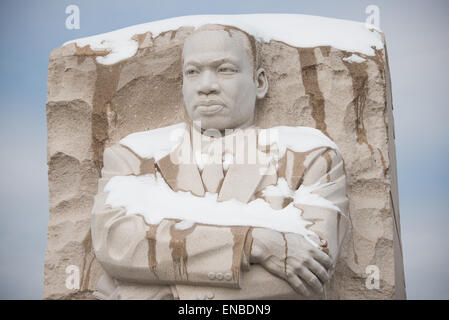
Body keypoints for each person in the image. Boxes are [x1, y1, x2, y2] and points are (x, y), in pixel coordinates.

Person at [91, 24, 349, 300]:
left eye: (225, 69)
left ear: (259, 82)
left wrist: (153, 290)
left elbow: (308, 276)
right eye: (192, 72)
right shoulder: (134, 155)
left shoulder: (311, 157)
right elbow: (117, 245)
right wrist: (251, 243)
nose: (206, 86)